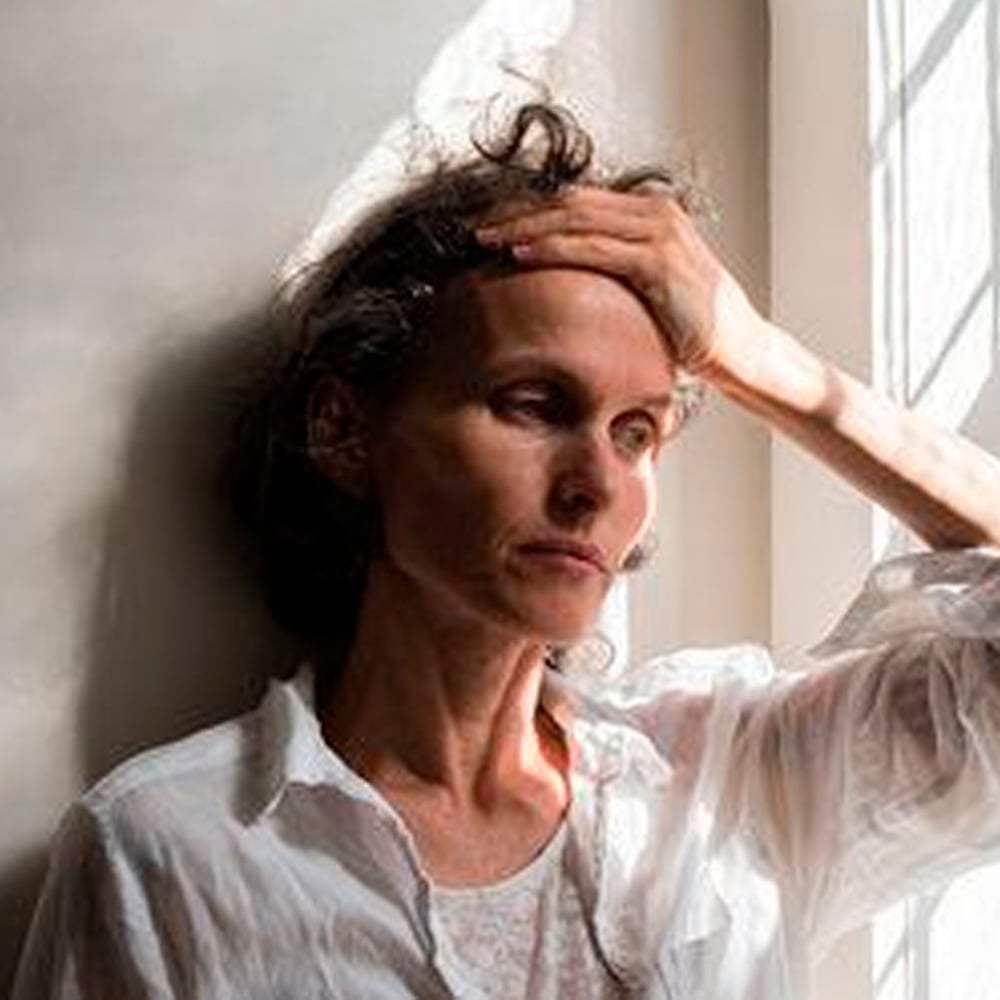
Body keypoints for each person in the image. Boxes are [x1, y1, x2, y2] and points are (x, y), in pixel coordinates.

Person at [13, 103, 1000, 1000]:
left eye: (637, 431)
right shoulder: (171, 854)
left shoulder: (726, 780)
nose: (597, 485)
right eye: (535, 404)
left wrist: (754, 356)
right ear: (345, 430)